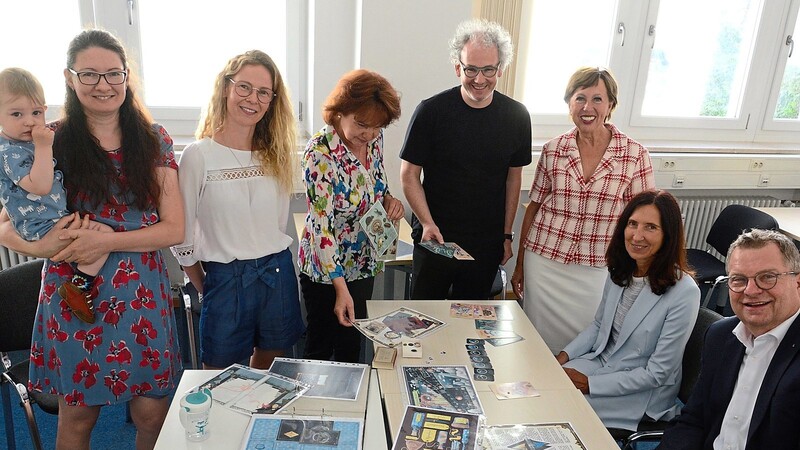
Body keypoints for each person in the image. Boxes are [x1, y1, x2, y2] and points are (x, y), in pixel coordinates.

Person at [0, 29, 184, 449]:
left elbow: (174, 230)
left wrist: (106, 243)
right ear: (69, 78)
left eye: (113, 74)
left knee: (152, 414)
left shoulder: (153, 138)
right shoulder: (47, 138)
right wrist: (43, 248)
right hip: (76, 294)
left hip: (142, 290)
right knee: (78, 416)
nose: (103, 85)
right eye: (89, 74)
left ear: (126, 77)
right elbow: (5, 225)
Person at [172, 50, 304, 370]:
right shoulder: (198, 155)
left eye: (263, 92)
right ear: (226, 88)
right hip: (225, 276)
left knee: (271, 366)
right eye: (244, 87)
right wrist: (209, 285)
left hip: (277, 271)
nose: (253, 99)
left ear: (272, 101)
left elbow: (275, 224)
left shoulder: (276, 155)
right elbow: (183, 234)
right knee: (218, 373)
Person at [512, 67, 655, 354]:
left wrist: (641, 269)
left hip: (598, 265)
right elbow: (535, 206)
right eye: (580, 98)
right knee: (537, 344)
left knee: (589, 342)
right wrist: (520, 265)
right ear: (569, 104)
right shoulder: (553, 149)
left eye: (597, 99)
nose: (587, 108)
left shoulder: (634, 154)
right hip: (545, 261)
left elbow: (644, 218)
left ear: (610, 105)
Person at [400, 19, 531, 300]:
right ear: (458, 66)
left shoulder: (517, 117)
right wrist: (426, 222)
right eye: (471, 69)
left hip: (485, 242)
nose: (479, 79)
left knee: (472, 323)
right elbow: (409, 175)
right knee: (425, 317)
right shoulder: (430, 112)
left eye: (488, 70)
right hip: (435, 235)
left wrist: (507, 235)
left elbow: (513, 179)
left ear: (501, 69)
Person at [555, 190, 699, 432]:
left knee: (563, 408)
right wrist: (562, 357)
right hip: (601, 363)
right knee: (545, 388)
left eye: (651, 227)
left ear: (668, 236)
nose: (637, 236)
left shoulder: (685, 292)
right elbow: (599, 326)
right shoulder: (620, 271)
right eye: (633, 224)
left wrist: (590, 384)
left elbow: (657, 373)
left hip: (641, 391)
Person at [658, 229, 800, 450]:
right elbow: (694, 420)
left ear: (798, 283)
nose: (751, 290)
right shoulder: (720, 336)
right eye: (739, 280)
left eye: (767, 278)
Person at [297, 69, 402, 363]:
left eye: (377, 128)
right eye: (361, 124)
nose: (368, 134)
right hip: (326, 269)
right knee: (320, 347)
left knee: (350, 345)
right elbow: (322, 228)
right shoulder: (320, 153)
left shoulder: (373, 141)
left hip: (362, 260)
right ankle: (313, 409)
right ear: (340, 111)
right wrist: (340, 288)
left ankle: (350, 408)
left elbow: (376, 185)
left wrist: (391, 200)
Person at [0, 67, 114, 324]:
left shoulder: (21, 144)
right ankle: (79, 286)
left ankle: (78, 284)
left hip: (49, 220)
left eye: (36, 112)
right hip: (42, 226)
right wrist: (43, 146)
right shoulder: (11, 152)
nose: (29, 121)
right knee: (104, 235)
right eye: (17, 114)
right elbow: (39, 186)